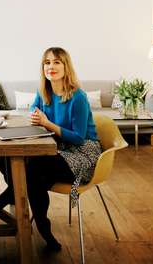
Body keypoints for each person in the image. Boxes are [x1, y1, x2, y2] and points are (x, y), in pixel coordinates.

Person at [27, 47, 102, 251]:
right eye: (47, 62)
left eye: (56, 62)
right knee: (30, 171)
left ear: (66, 66)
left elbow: (78, 138)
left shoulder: (77, 96)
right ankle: (44, 232)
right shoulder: (43, 92)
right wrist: (34, 116)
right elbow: (33, 110)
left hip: (84, 153)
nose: (51, 66)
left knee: (32, 169)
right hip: (59, 149)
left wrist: (47, 123)